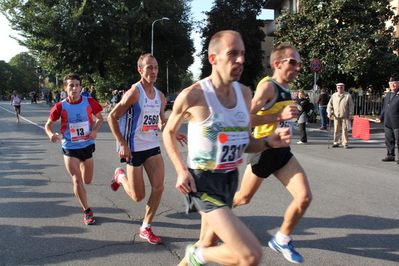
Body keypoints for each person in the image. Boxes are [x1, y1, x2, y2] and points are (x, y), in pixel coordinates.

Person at [162, 30, 291, 266]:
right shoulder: (194, 95)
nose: (240, 59)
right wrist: (181, 170)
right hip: (202, 182)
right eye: (232, 54)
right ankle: (195, 255)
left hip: (229, 179)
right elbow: (168, 132)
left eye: (242, 53)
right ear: (213, 58)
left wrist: (267, 142)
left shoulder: (244, 93)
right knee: (250, 255)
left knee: (207, 245)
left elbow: (242, 142)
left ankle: (196, 255)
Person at [233, 43, 312, 264]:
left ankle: (281, 239)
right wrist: (279, 117)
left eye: (299, 63)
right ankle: (215, 215)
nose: (298, 67)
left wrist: (286, 116)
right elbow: (244, 119)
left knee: (304, 197)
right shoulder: (268, 87)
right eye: (293, 62)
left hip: (283, 152)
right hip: (264, 151)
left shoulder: (286, 88)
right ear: (278, 64)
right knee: (243, 198)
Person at [108, 54, 187, 245]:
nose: (153, 71)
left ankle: (146, 227)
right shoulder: (134, 93)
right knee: (137, 196)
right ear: (140, 70)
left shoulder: (160, 96)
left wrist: (172, 131)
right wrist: (123, 144)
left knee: (159, 188)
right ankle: (120, 177)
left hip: (152, 147)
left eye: (156, 67)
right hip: (133, 148)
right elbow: (112, 117)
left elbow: (161, 122)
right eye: (149, 67)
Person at [44, 73, 103, 225]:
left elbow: (100, 118)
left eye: (77, 85)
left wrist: (95, 131)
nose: (74, 88)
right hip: (69, 146)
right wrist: (51, 134)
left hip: (87, 145)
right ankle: (86, 210)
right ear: (66, 88)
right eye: (71, 85)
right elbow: (48, 125)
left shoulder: (89, 102)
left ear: (80, 87)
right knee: (77, 181)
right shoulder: (60, 106)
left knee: (87, 180)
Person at [376, 77, 399, 162]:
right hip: (388, 121)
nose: (393, 85)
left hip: (397, 122)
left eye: (395, 83)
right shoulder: (388, 94)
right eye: (391, 83)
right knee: (389, 140)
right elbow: (385, 107)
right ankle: (390, 155)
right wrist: (380, 117)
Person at [327, 83, 354, 148]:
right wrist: (329, 112)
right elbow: (329, 105)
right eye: (338, 87)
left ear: (344, 88)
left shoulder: (347, 95)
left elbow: (351, 105)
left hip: (345, 115)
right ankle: (336, 142)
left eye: (341, 87)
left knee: (344, 129)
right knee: (336, 129)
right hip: (336, 115)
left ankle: (345, 143)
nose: (339, 89)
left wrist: (350, 114)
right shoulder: (334, 95)